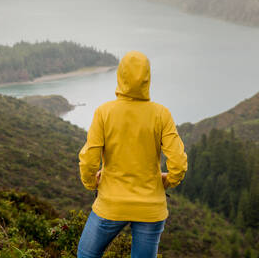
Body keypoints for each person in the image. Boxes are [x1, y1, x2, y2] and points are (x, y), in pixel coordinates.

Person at [77, 51, 188, 258]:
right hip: (150, 207)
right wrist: (168, 180)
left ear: (120, 75)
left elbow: (89, 159)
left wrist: (92, 183)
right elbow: (178, 163)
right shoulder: (161, 114)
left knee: (86, 254)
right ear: (147, 78)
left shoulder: (104, 112)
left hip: (111, 203)